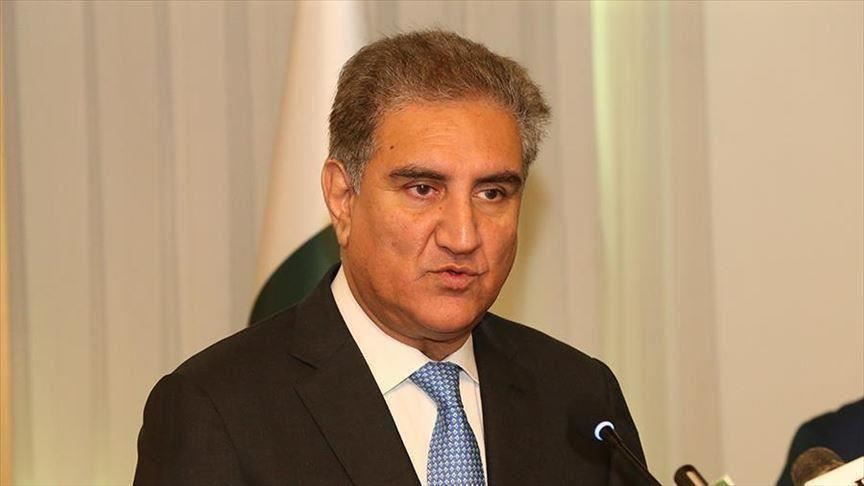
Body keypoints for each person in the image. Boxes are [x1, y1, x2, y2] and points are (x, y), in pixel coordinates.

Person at [134, 30, 645, 486]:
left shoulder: (577, 396)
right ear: (343, 197)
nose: (462, 236)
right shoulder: (216, 409)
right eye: (423, 189)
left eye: (492, 193)